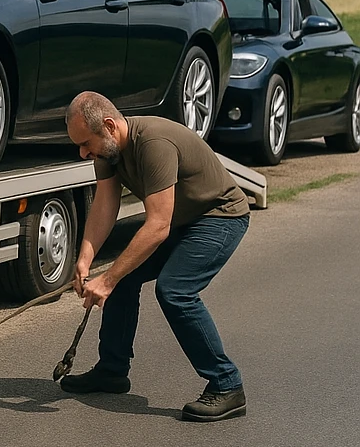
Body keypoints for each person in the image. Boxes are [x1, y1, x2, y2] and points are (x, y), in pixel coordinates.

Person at [62, 91, 251, 422]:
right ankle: (112, 370)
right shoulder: (107, 153)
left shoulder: (153, 143)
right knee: (121, 278)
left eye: (85, 143)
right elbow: (105, 205)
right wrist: (84, 260)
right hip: (183, 221)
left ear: (108, 125)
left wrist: (107, 280)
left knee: (175, 290)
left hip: (219, 217)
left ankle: (227, 385)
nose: (82, 153)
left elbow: (158, 225)